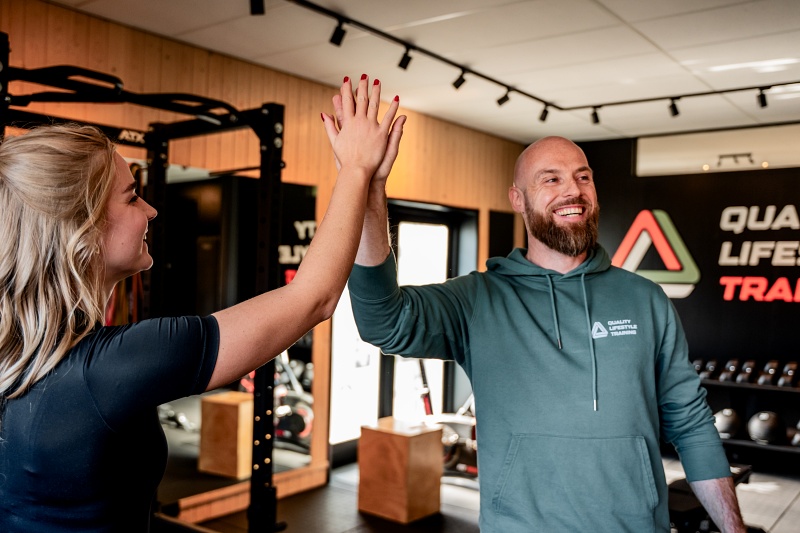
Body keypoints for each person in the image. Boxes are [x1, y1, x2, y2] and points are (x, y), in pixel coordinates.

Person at [0, 74, 406, 532]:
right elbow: (313, 298)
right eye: (133, 197)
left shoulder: (18, 354)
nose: (151, 210)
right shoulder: (108, 367)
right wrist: (355, 168)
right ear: (83, 229)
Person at [341, 134, 746, 532]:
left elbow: (691, 423)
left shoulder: (645, 299)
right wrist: (371, 187)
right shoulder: (478, 299)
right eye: (551, 179)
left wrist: (734, 529)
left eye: (583, 177)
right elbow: (384, 322)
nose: (573, 190)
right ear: (517, 198)